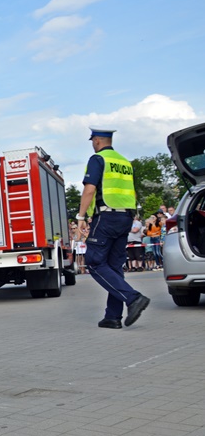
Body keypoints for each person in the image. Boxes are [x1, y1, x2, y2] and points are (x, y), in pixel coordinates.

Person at [76, 128, 150, 329]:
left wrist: (81, 216)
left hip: (106, 216)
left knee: (94, 262)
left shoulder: (98, 159)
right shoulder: (124, 162)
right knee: (114, 266)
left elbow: (89, 189)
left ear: (97, 140)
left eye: (93, 141)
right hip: (125, 217)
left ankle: (133, 298)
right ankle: (112, 316)